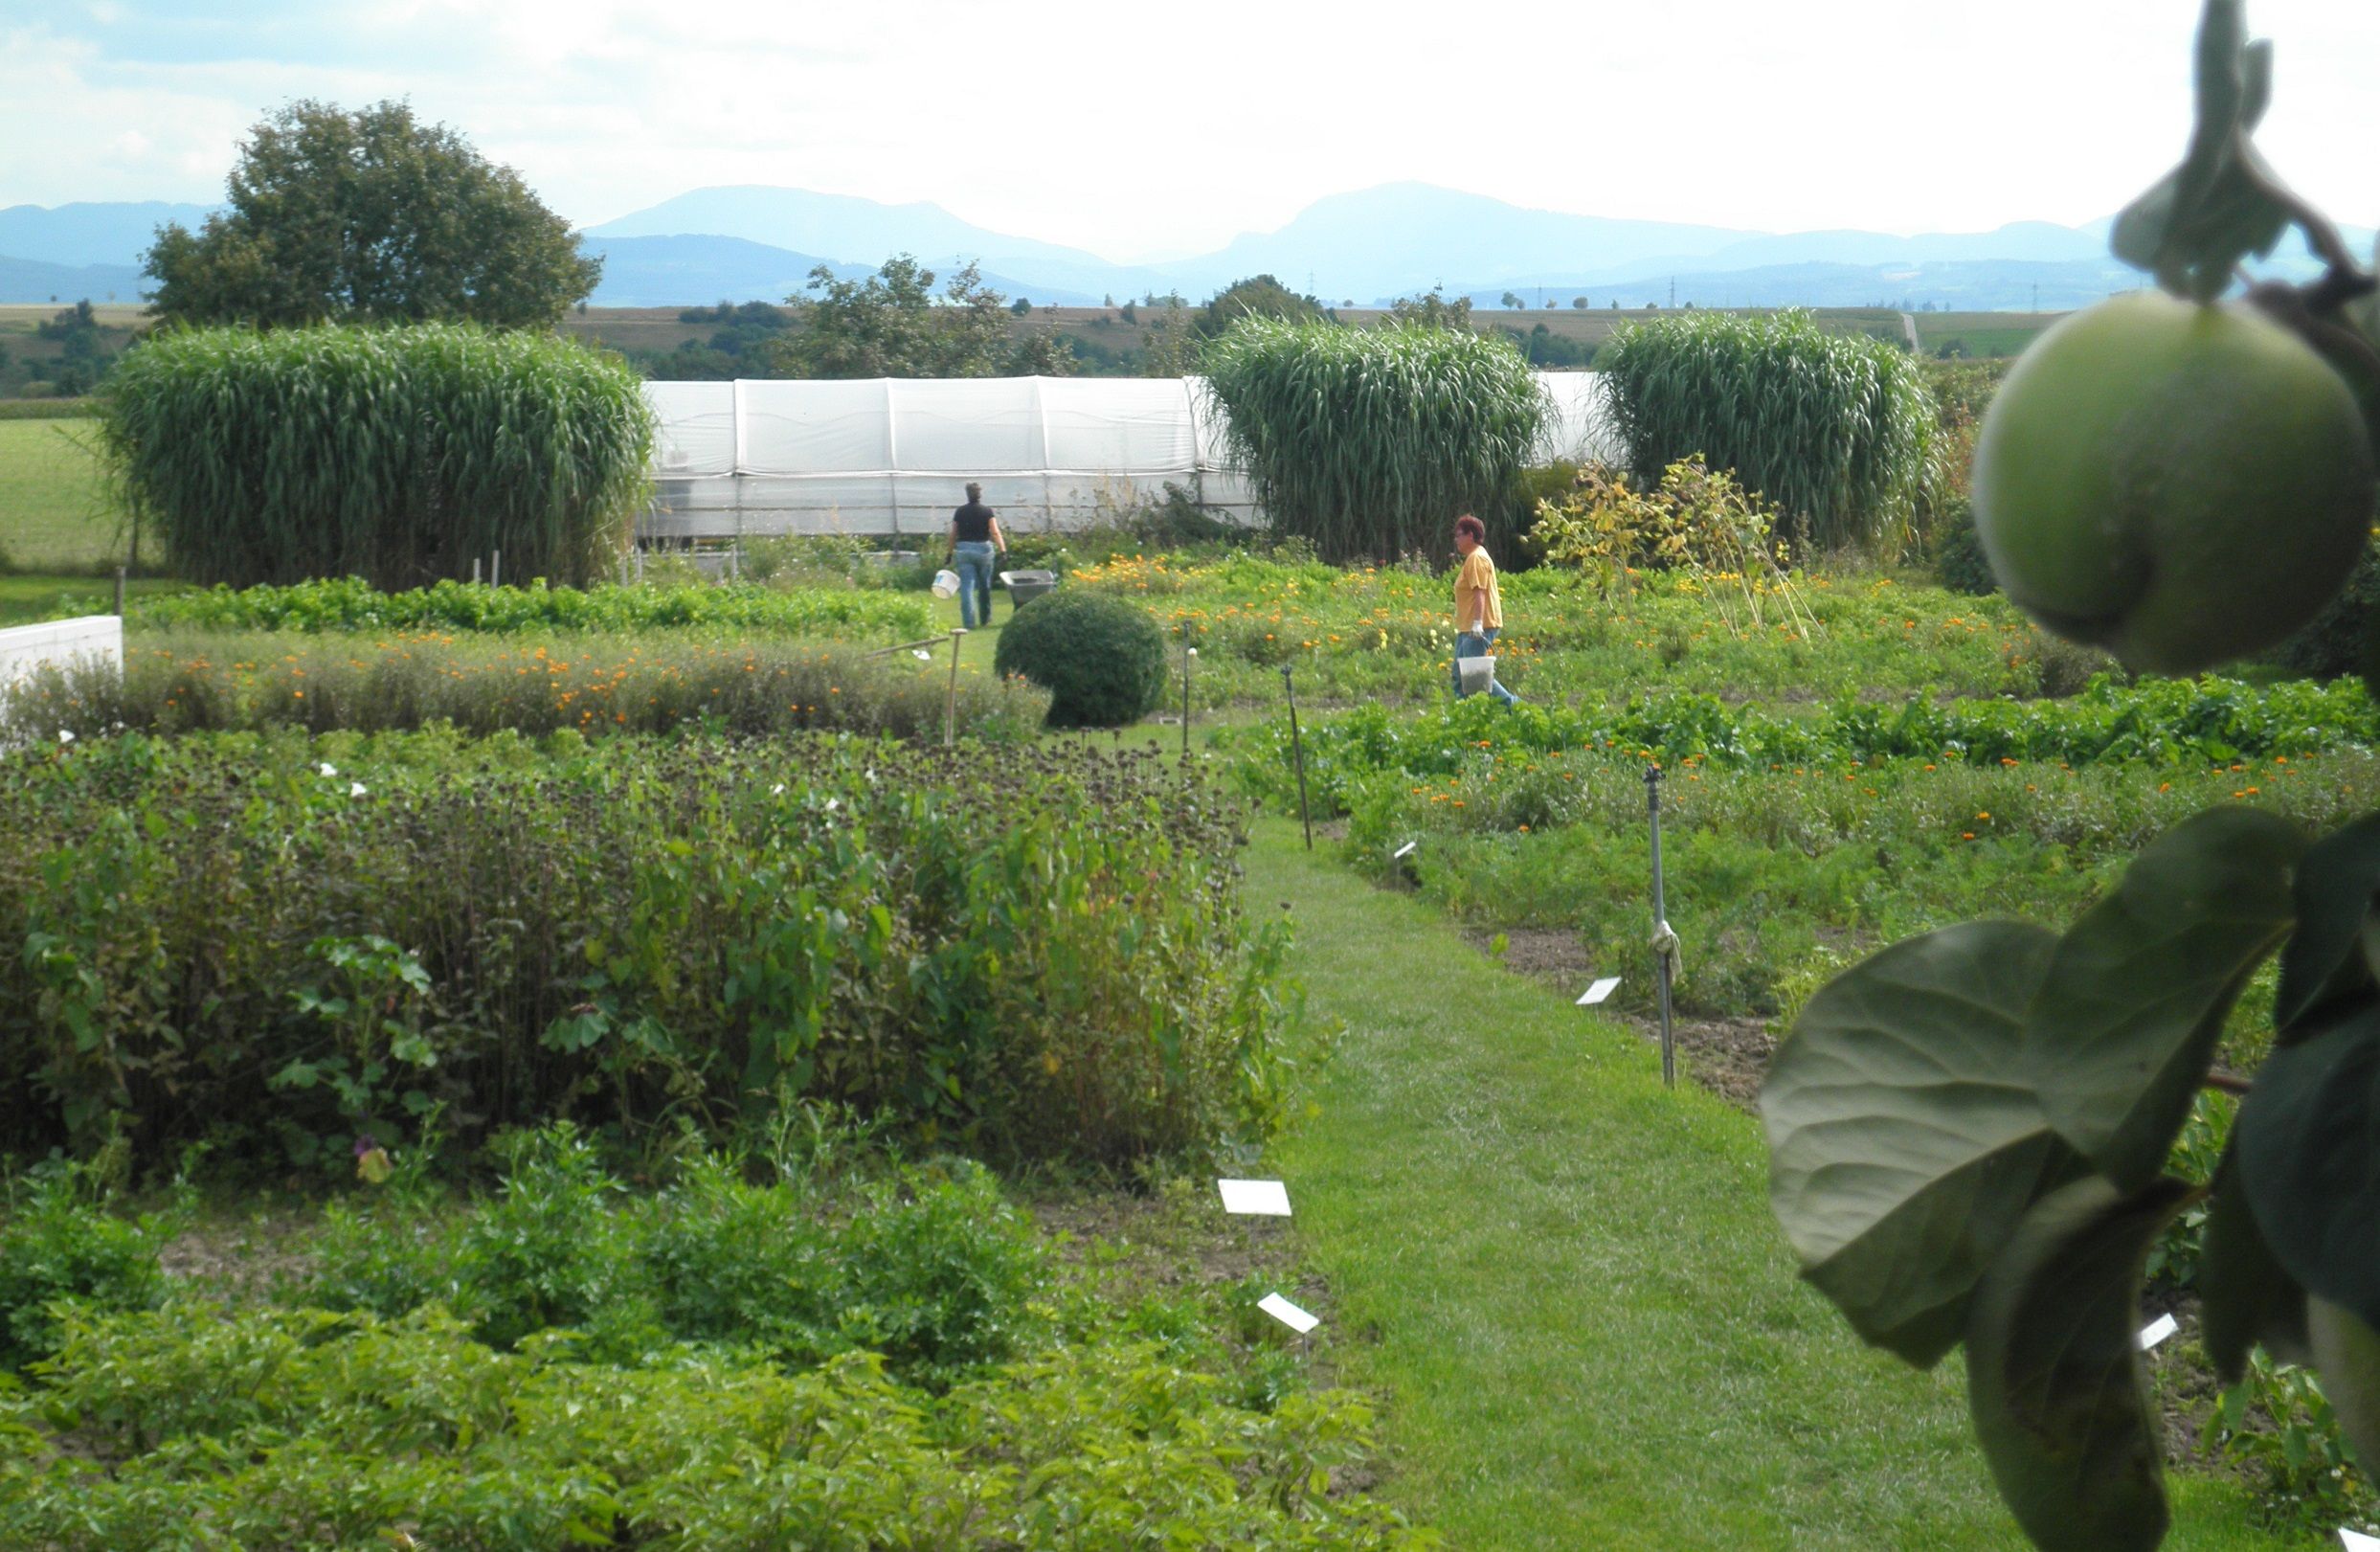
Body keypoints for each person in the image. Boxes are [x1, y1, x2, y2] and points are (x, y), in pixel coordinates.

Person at [1450, 514, 1517, 707]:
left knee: (1477, 676)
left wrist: (1478, 624)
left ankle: (1515, 707)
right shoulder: (1473, 558)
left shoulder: (1477, 559)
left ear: (1470, 535)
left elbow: (1480, 593)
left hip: (1479, 627)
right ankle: (1464, 712)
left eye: (1459, 535)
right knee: (1460, 674)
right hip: (1468, 628)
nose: (1456, 540)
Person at [947, 482, 1007, 629]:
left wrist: (948, 553)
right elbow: (995, 532)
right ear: (980, 494)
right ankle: (985, 619)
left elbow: (954, 534)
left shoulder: (960, 512)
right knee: (984, 585)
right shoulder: (987, 511)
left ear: (967, 494)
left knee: (967, 587)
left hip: (964, 550)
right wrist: (1003, 551)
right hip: (984, 551)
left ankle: (969, 623)